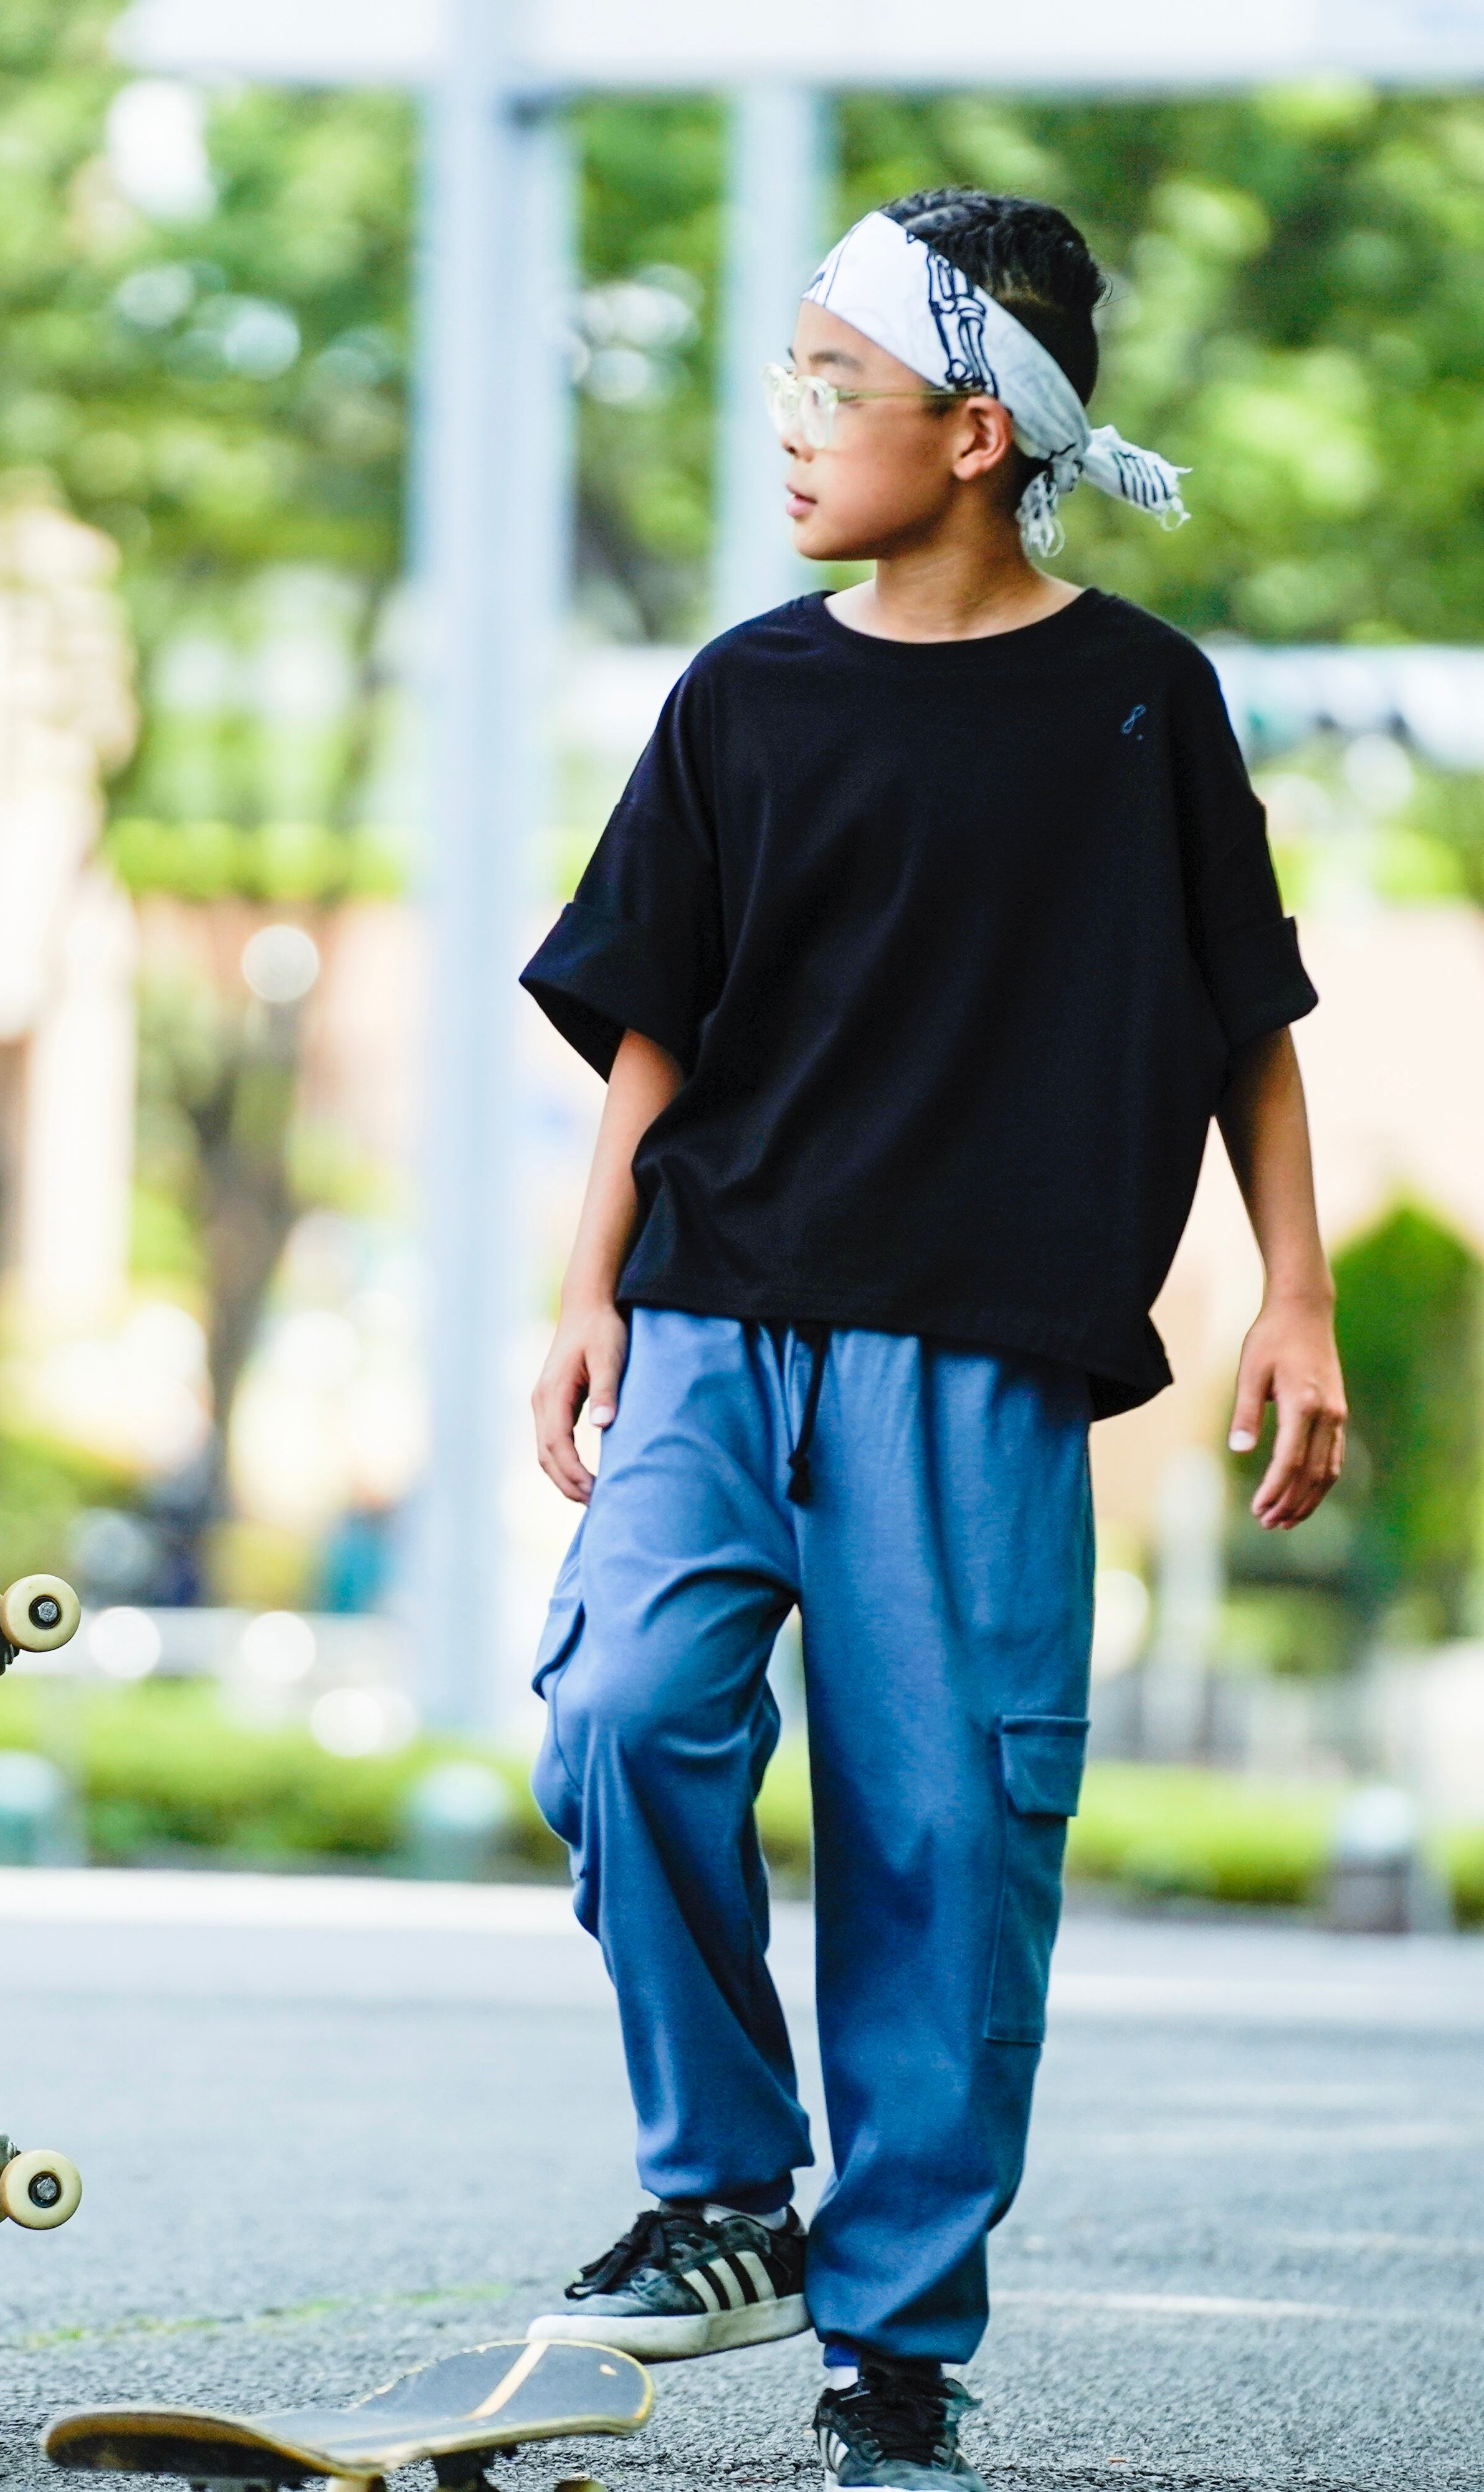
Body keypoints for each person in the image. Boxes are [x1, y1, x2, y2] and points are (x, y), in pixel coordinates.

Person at [517, 192, 1346, 2492]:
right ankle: (722, 2197)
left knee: (946, 1845)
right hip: (714, 1311)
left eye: (833, 386)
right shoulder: (744, 691)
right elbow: (657, 1020)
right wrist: (586, 1287)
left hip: (978, 1353)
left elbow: (1247, 1018)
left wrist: (1292, 1292)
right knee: (620, 1711)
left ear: (979, 433)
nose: (790, 427)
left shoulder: (1140, 702)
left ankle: (894, 2348)